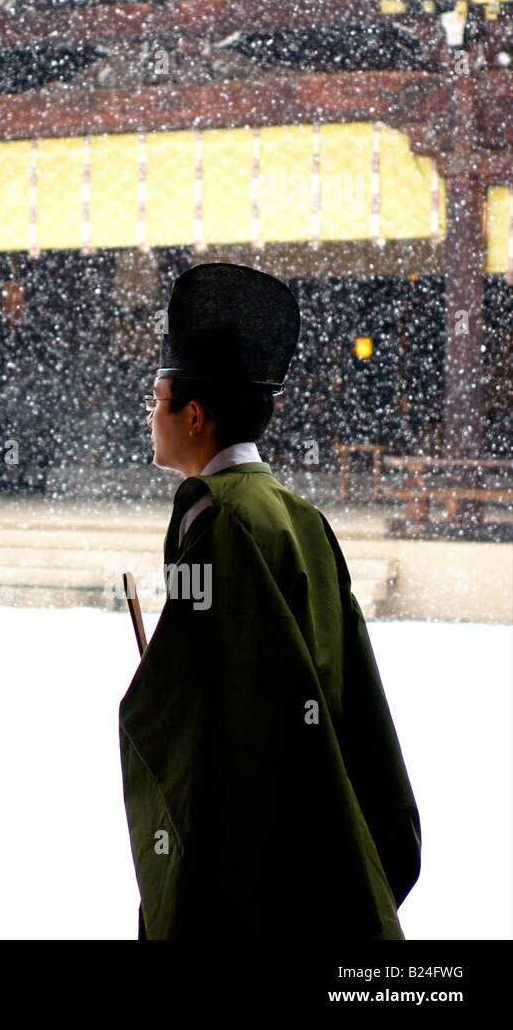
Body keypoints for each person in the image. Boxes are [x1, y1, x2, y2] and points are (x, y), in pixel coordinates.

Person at [120, 262, 420, 939]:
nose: (147, 414)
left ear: (193, 415)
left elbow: (203, 712)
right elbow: (337, 689)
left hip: (253, 843)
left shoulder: (214, 514)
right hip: (315, 822)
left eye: (156, 397)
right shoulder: (296, 513)